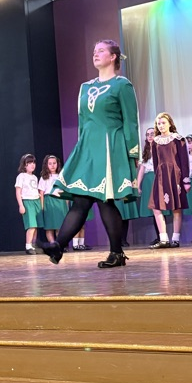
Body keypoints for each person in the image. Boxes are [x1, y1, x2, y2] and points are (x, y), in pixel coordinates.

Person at [44, 39, 140, 269]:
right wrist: (81, 150)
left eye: (101, 51)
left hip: (110, 146)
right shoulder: (85, 87)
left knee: (103, 200)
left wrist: (132, 154)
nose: (95, 54)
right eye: (93, 51)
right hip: (88, 147)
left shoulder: (121, 85)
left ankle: (110, 252)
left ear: (113, 56)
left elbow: (131, 121)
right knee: (82, 199)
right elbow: (83, 121)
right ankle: (59, 246)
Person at [149, 112, 190, 249]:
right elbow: (155, 162)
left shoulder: (177, 139)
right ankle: (163, 239)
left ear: (170, 124)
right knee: (156, 207)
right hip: (161, 176)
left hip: (175, 174)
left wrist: (185, 179)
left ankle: (176, 238)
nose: (161, 126)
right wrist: (159, 176)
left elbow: (184, 160)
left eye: (163, 123)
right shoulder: (155, 141)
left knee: (176, 208)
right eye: (158, 124)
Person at [39, 155, 70, 244]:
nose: (52, 165)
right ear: (46, 165)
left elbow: (64, 191)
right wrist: (42, 207)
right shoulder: (44, 177)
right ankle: (53, 244)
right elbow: (41, 193)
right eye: (50, 164)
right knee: (50, 226)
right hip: (49, 202)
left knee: (60, 226)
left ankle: (59, 244)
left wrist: (66, 204)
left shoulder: (61, 176)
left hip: (60, 201)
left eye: (54, 163)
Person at [15, 154, 42, 255]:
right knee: (31, 225)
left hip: (36, 201)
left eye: (33, 163)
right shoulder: (21, 176)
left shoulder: (35, 177)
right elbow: (18, 191)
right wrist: (21, 205)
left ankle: (34, 245)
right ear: (24, 165)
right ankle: (28, 245)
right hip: (27, 201)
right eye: (29, 163)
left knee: (36, 226)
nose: (32, 165)